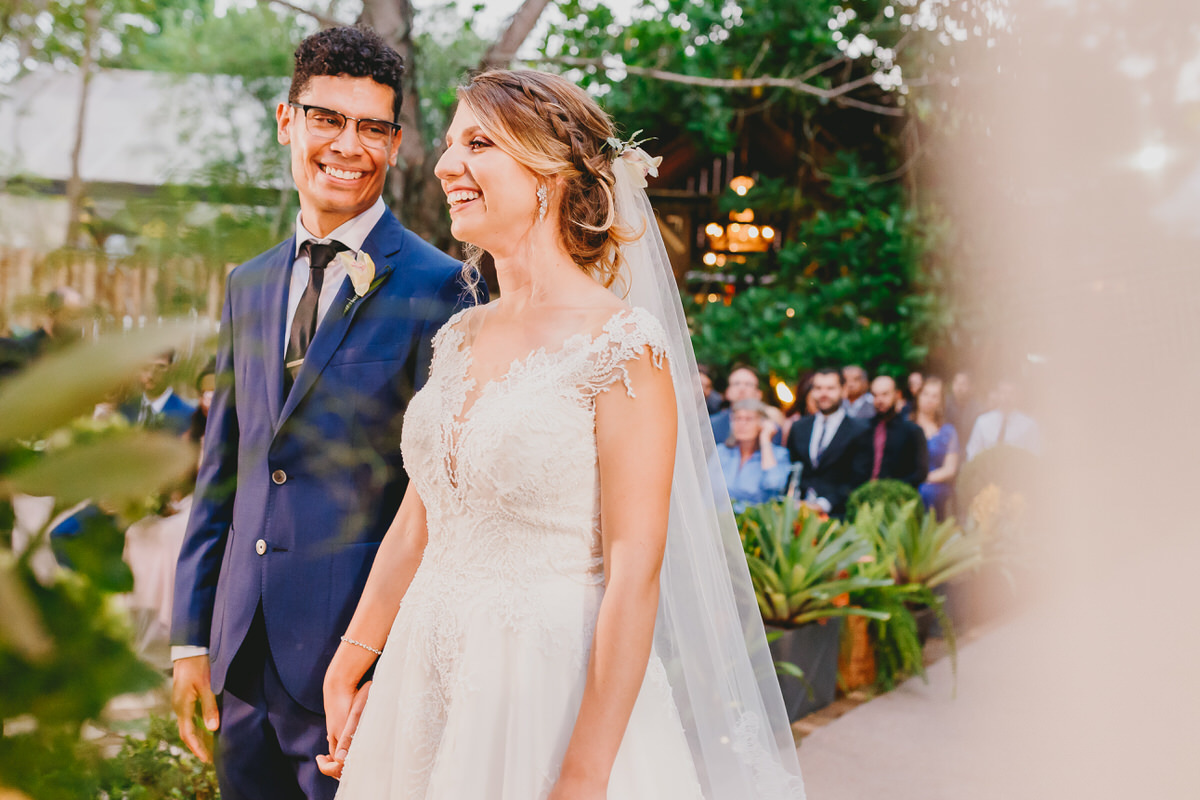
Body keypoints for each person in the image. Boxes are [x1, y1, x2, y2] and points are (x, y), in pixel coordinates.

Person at [320, 69, 805, 799]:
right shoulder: (460, 334)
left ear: (549, 171)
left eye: (478, 143)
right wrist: (353, 655)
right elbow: (421, 516)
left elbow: (634, 571)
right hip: (425, 671)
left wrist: (585, 771)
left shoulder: (621, 345)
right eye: (450, 145)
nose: (447, 164)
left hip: (543, 685)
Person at [170, 27, 480, 800]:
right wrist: (188, 639)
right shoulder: (246, 283)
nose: (349, 145)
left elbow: (446, 504)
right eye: (327, 119)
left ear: (399, 144)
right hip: (240, 660)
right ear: (287, 119)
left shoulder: (446, 289)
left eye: (373, 127)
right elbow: (224, 470)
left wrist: (396, 661)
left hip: (357, 674)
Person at [785, 367, 872, 518]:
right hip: (797, 513)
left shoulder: (860, 430)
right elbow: (793, 470)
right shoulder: (799, 427)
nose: (823, 394)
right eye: (818, 388)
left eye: (830, 388)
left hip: (837, 516)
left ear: (844, 390)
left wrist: (823, 504)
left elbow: (859, 479)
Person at [716, 399, 792, 511]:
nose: (742, 424)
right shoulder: (722, 451)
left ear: (762, 423)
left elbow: (774, 484)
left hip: (756, 522)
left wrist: (765, 439)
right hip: (722, 517)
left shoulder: (778, 454)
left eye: (749, 419)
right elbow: (708, 491)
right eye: (737, 419)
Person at [868, 375, 930, 488]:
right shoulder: (865, 429)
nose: (879, 400)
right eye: (875, 395)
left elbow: (921, 473)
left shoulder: (913, 431)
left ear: (897, 395)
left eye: (885, 394)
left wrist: (891, 488)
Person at [120, 349, 196, 437]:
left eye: (160, 367)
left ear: (172, 369)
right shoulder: (125, 410)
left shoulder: (189, 416)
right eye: (146, 367)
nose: (151, 375)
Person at [913, 377, 959, 517]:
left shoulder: (948, 431)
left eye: (934, 396)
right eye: (925, 394)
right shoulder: (906, 426)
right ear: (918, 396)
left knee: (928, 493)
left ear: (940, 401)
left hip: (936, 484)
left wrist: (925, 478)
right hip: (909, 481)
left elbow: (950, 469)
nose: (929, 399)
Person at [965, 378, 1041, 460]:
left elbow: (1035, 455)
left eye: (1011, 393)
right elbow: (972, 453)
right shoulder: (982, 422)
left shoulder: (1029, 425)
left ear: (1018, 396)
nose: (1006, 397)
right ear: (997, 395)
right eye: (1003, 393)